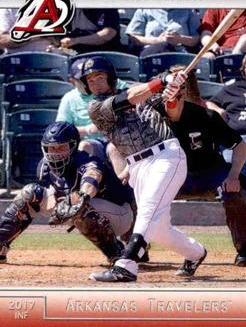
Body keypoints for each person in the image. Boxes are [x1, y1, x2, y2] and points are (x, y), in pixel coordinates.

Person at [81, 55, 207, 282]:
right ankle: (196, 253)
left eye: (99, 76)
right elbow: (128, 99)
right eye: (90, 79)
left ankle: (126, 266)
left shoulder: (140, 91)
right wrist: (163, 79)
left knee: (148, 210)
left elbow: (173, 114)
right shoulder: (95, 107)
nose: (95, 82)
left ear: (110, 77)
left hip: (166, 155)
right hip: (137, 165)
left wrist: (173, 92)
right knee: (158, 229)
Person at [0, 121, 135, 265]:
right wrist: (54, 201)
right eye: (51, 148)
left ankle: (115, 252)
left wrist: (82, 196)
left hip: (121, 215)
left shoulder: (88, 161)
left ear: (73, 146)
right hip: (81, 210)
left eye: (61, 148)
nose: (55, 153)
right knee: (29, 192)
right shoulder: (44, 166)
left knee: (78, 202)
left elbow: (92, 178)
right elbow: (52, 189)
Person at [164, 66, 246, 267]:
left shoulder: (207, 116)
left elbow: (239, 146)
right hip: (173, 177)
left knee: (236, 191)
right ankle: (134, 248)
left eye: (183, 88)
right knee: (135, 187)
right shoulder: (156, 118)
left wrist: (233, 175)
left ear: (189, 91)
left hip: (211, 174)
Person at [206, 52, 246, 189]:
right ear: (243, 71)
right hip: (237, 140)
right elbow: (206, 103)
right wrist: (217, 109)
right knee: (228, 172)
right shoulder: (233, 89)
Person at [126, 9, 200, 57]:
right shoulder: (144, 10)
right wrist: (158, 40)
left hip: (180, 54)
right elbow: (134, 38)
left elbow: (197, 39)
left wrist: (180, 39)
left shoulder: (189, 10)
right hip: (151, 54)